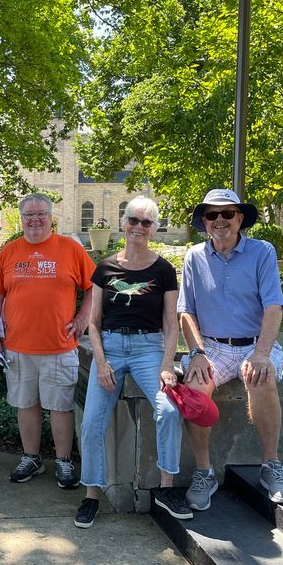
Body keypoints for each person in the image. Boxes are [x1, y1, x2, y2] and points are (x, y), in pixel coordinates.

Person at [179, 188, 283, 510]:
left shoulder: (262, 252)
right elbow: (186, 312)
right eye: (212, 215)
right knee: (193, 391)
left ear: (240, 218)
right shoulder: (194, 256)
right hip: (211, 347)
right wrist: (196, 353)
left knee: (261, 377)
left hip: (254, 343)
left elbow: (274, 307)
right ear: (204, 221)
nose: (220, 220)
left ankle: (271, 465)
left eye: (227, 213)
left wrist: (261, 353)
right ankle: (204, 472)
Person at [75, 197, 187, 528]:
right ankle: (91, 495)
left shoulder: (163, 270)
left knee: (169, 411)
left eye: (146, 222)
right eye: (133, 220)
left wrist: (167, 365)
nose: (138, 227)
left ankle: (166, 488)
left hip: (148, 348)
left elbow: (171, 324)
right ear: (124, 224)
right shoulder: (105, 268)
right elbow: (93, 322)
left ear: (153, 229)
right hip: (109, 347)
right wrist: (101, 362)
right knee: (91, 422)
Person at [0, 193, 93, 487]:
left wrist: (83, 318)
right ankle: (31, 458)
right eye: (29, 215)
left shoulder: (70, 249)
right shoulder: (9, 252)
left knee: (60, 406)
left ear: (50, 217)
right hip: (18, 347)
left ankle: (63, 461)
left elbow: (94, 287)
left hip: (59, 346)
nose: (35, 220)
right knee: (26, 404)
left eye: (40, 214)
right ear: (22, 219)